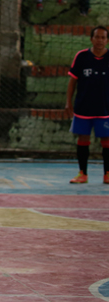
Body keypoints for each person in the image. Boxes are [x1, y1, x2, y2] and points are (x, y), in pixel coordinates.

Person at [65, 25, 109, 185]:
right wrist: (68, 102)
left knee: (107, 140)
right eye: (97, 37)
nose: (100, 40)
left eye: (103, 37)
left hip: (105, 108)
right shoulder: (82, 56)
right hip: (83, 106)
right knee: (83, 138)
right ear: (91, 39)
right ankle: (82, 173)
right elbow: (72, 81)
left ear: (107, 40)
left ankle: (107, 174)